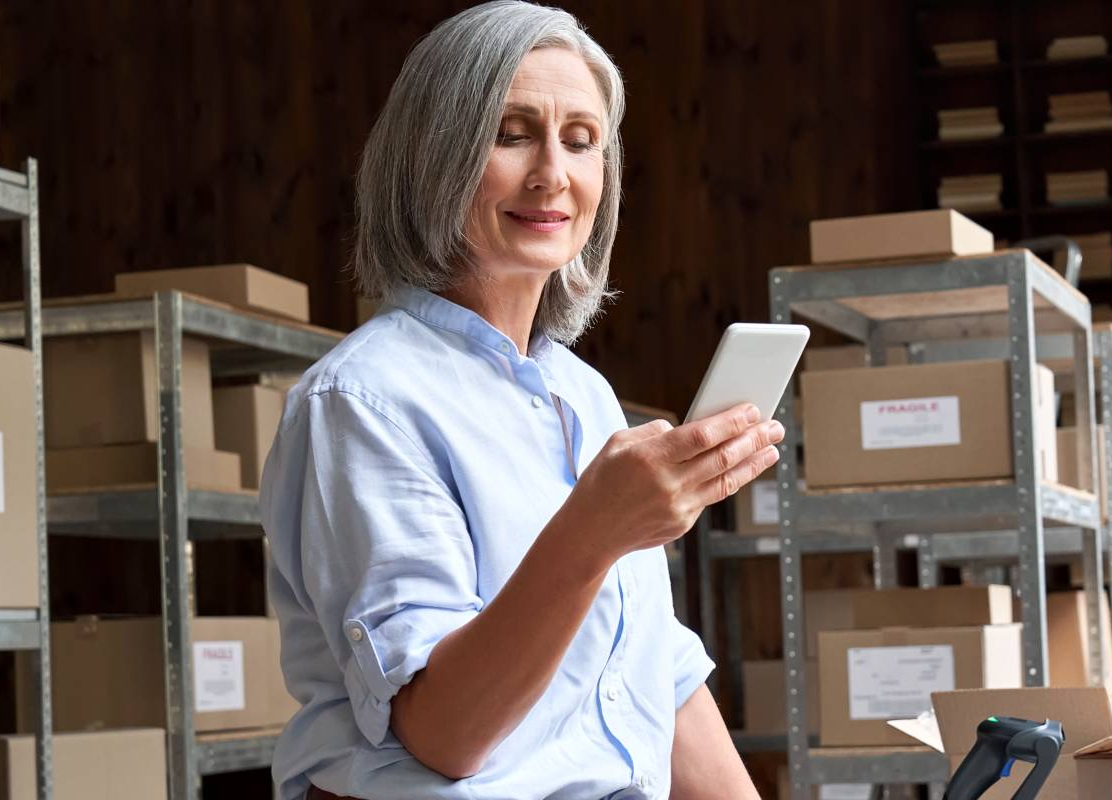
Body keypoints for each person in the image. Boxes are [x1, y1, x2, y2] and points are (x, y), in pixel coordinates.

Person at [260, 3, 776, 798]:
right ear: (433, 155)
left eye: (582, 140)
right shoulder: (362, 402)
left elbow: (653, 667)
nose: (553, 174)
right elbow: (444, 735)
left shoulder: (585, 395)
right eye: (511, 134)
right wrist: (595, 531)